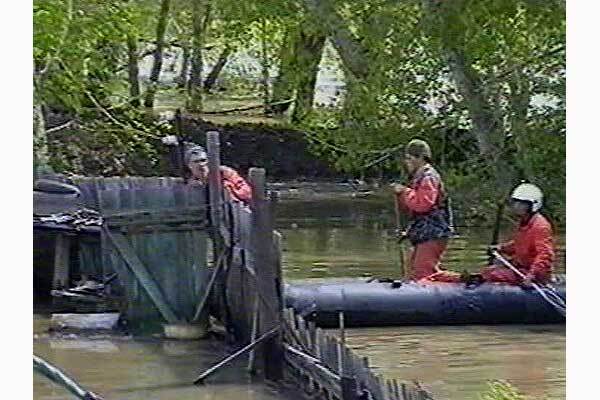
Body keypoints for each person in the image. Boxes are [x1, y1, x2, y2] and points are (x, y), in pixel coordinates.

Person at [392, 139, 457, 282]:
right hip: (424, 232)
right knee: (413, 270)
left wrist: (404, 192)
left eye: (410, 158)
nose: (407, 163)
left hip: (434, 232)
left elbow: (423, 204)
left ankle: (465, 281)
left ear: (420, 158)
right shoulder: (418, 177)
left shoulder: (429, 177)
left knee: (423, 273)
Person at [480, 183, 554, 286]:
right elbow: (519, 245)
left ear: (532, 205)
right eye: (516, 203)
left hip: (532, 274)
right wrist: (501, 248)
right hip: (522, 269)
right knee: (491, 269)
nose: (516, 206)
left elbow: (545, 255)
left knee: (492, 274)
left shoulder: (540, 226)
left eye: (522, 204)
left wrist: (531, 276)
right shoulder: (524, 223)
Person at [184, 144, 252, 204]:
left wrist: (228, 187)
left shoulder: (225, 173)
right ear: (189, 165)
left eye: (203, 160)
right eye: (196, 161)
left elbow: (247, 193)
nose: (201, 164)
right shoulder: (190, 185)